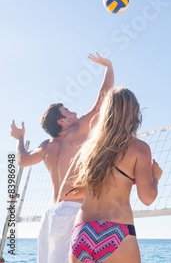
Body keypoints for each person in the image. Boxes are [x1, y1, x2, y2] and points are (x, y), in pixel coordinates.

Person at [10, 52, 113, 263]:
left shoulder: (46, 147)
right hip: (70, 211)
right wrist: (108, 67)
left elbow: (22, 160)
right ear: (61, 122)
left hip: (49, 214)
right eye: (67, 111)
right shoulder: (74, 134)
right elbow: (103, 101)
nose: (73, 112)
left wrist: (20, 139)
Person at [67, 87, 163, 263]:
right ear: (134, 113)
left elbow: (70, 192)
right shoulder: (139, 148)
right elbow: (147, 198)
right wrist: (155, 177)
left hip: (82, 232)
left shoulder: (88, 148)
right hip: (117, 230)